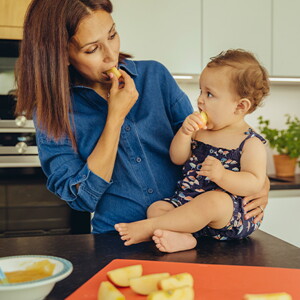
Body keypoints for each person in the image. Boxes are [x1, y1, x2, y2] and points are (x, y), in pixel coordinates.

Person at [15, 0, 268, 236]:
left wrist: (258, 181)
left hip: (186, 233)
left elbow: (203, 145)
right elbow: (83, 199)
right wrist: (115, 117)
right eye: (92, 49)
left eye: (112, 35)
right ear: (62, 55)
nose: (111, 55)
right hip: (117, 238)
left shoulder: (155, 77)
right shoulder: (52, 112)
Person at [115, 49, 270, 253]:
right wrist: (184, 133)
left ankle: (149, 227)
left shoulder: (250, 143)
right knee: (157, 208)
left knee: (213, 200)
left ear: (240, 106)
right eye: (201, 91)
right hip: (187, 203)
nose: (200, 100)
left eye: (210, 94)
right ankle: (185, 237)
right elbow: (178, 158)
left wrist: (222, 175)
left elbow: (254, 183)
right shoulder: (201, 131)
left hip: (229, 216)